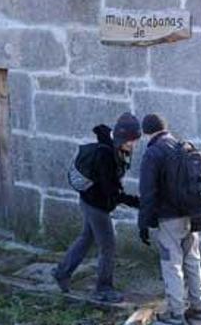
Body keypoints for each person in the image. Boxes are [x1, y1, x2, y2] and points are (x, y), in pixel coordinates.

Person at [51, 113, 142, 303]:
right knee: (108, 246)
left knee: (86, 238)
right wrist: (138, 202)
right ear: (119, 137)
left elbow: (112, 187)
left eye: (135, 141)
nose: (133, 145)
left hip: (90, 200)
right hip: (96, 204)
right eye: (130, 141)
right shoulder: (105, 155)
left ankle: (62, 272)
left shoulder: (115, 148)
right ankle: (103, 288)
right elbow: (111, 191)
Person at [137, 114, 201, 325]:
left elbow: (147, 192)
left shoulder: (153, 153)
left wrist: (144, 223)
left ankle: (175, 313)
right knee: (192, 261)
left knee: (172, 264)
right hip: (192, 215)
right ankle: (199, 308)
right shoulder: (183, 147)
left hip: (169, 219)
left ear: (146, 132)